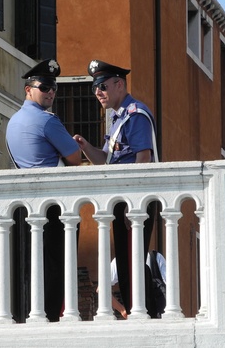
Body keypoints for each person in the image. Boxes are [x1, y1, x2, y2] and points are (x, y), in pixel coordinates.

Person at [74, 59, 158, 317]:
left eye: (102, 85)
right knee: (124, 265)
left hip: (136, 200)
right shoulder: (118, 119)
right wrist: (85, 146)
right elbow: (106, 161)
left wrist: (134, 203)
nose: (98, 92)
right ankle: (138, 312)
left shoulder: (136, 115)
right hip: (123, 200)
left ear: (119, 84)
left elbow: (143, 159)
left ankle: (148, 313)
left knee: (132, 262)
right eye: (95, 87)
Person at [6, 59, 81, 321]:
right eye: (44, 87)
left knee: (34, 265)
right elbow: (75, 158)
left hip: (29, 204)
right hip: (56, 205)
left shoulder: (13, 122)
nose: (50, 92)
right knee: (59, 266)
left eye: (53, 88)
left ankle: (35, 313)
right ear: (28, 89)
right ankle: (53, 317)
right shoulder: (47, 121)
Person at [106, 251, 167, 319]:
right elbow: (102, 289)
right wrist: (122, 310)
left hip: (147, 314)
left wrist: (122, 310)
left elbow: (102, 289)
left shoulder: (155, 257)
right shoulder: (156, 257)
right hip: (156, 315)